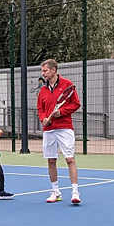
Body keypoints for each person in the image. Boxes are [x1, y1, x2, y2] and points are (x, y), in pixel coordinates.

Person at [37, 59, 82, 204]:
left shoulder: (67, 84)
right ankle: (55, 192)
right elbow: (40, 108)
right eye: (42, 71)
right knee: (51, 161)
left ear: (53, 70)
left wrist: (61, 112)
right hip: (49, 130)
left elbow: (76, 104)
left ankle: (75, 192)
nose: (43, 74)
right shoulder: (43, 90)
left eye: (45, 71)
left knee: (70, 159)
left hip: (64, 128)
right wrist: (43, 118)